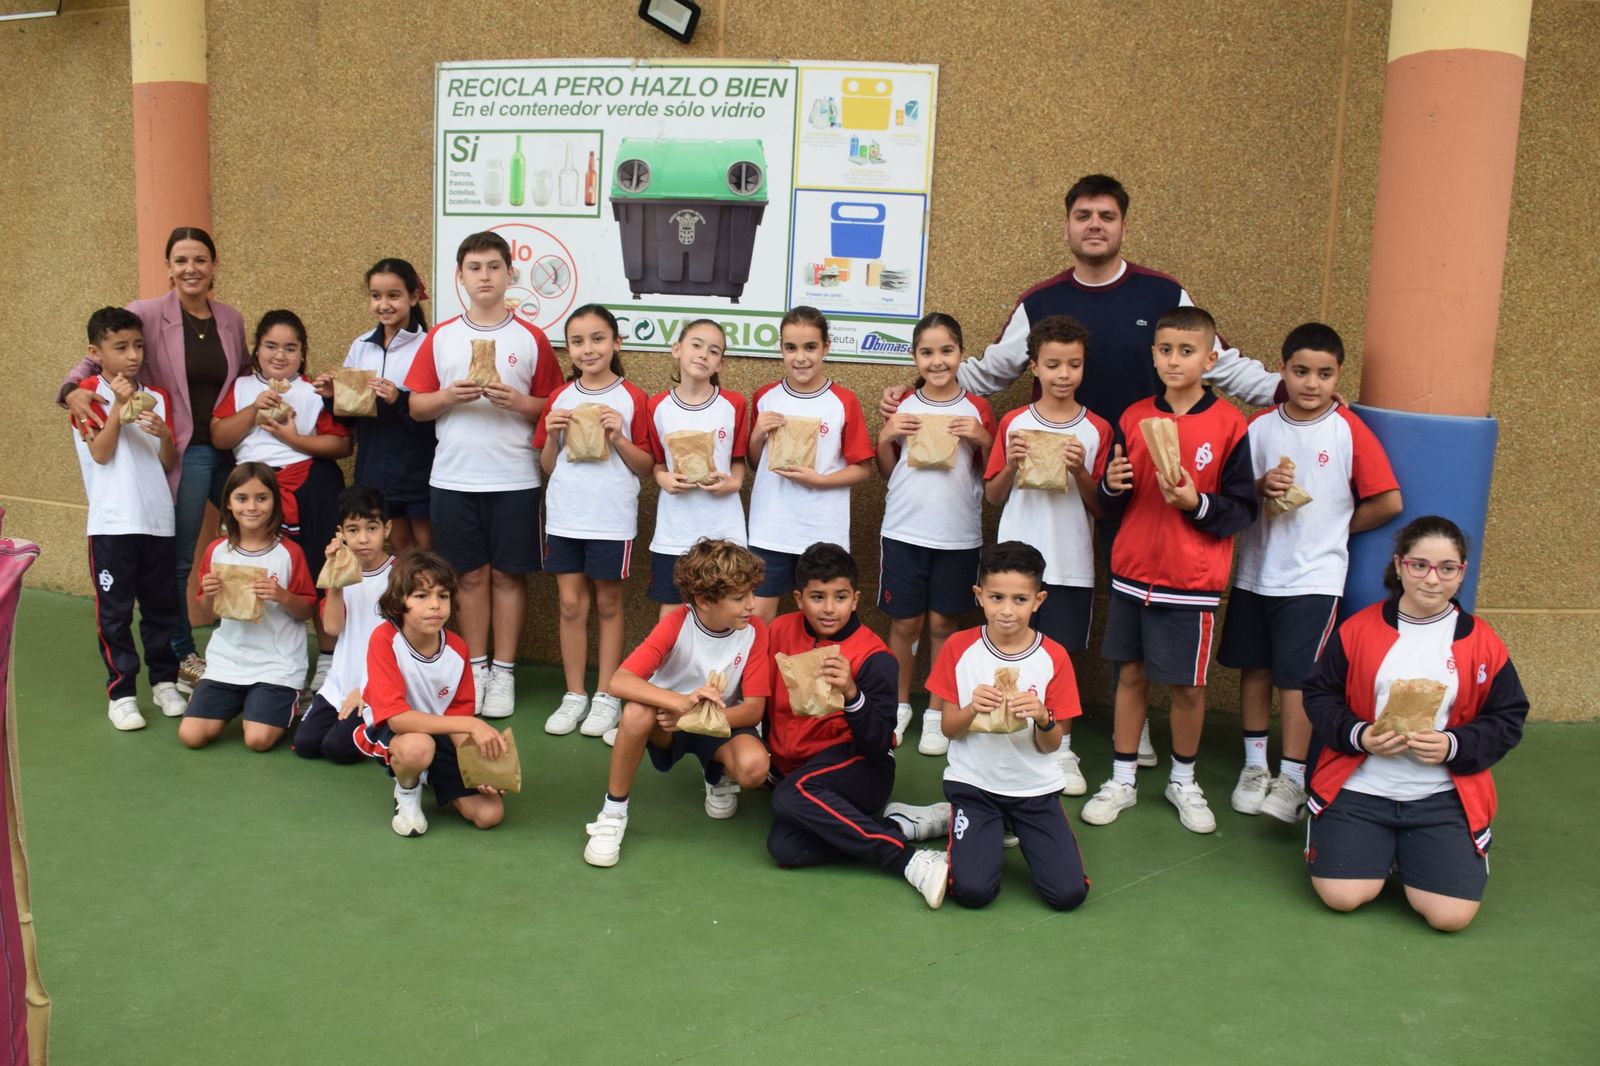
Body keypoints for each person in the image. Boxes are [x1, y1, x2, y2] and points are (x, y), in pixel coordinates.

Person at [881, 174, 1279, 426]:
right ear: (1066, 228)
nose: (1094, 225)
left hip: (1141, 457)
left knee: (1130, 564)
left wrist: (1291, 391)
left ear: (1124, 228)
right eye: (1083, 215)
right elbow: (991, 372)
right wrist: (919, 389)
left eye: (1106, 216)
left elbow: (1222, 364)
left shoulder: (1163, 293)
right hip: (1061, 453)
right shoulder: (1040, 301)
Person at [1302, 516, 1527, 931]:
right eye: (1419, 565)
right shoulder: (1358, 630)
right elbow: (1319, 695)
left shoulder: (1482, 640)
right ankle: (1377, 849)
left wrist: (1454, 745)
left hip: (1440, 795)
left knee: (1450, 917)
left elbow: (1509, 716)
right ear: (1400, 565)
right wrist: (1361, 735)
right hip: (1361, 787)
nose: (1432, 579)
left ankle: (1411, 852)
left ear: (1461, 573)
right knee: (1343, 896)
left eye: (1447, 568)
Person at [1081, 307, 1257, 834]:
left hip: (1192, 581)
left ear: (1210, 357)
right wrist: (1112, 483)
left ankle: (1184, 780)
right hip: (1133, 570)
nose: (1174, 360)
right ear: (1152, 354)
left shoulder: (1230, 424)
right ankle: (1122, 778)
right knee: (1129, 676)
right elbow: (1113, 502)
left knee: (1187, 687)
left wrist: (1195, 503)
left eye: (1187, 351)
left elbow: (1243, 509)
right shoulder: (1133, 416)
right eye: (1165, 350)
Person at [1218, 323, 1402, 822]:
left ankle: (1293, 777)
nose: (1311, 383)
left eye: (1324, 374)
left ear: (1338, 375)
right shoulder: (1258, 428)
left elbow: (1388, 500)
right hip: (1256, 572)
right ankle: (1255, 767)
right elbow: (1233, 497)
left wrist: (1337, 529)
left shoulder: (1348, 429)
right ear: (1283, 370)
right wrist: (1259, 485)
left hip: (1314, 580)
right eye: (1301, 371)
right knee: (1254, 669)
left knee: (1296, 680)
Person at [61, 227, 250, 692]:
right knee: (179, 560)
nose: (191, 269)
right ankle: (182, 656)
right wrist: (69, 392)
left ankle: (246, 646)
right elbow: (97, 356)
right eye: (181, 260)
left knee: (250, 540)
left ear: (215, 265)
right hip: (183, 450)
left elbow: (247, 372)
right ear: (168, 266)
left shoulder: (230, 318)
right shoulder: (146, 313)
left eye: (201, 259)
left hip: (229, 446)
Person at [405, 231, 563, 718]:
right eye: (474, 267)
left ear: (509, 274)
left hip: (515, 477)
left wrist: (520, 403)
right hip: (453, 478)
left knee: (509, 578)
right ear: (460, 276)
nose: (485, 276)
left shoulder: (530, 338)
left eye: (494, 267)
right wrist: (449, 396)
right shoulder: (443, 336)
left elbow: (555, 406)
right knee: (468, 578)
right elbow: (416, 406)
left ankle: (505, 672)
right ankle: (474, 668)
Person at [763, 542, 952, 908]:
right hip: (800, 773)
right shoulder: (779, 632)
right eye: (818, 597)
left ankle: (909, 860)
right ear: (799, 598)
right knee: (784, 847)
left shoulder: (875, 656)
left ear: (856, 599)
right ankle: (900, 826)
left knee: (790, 794)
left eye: (840, 596)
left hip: (862, 769)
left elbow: (877, 741)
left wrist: (851, 692)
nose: (829, 608)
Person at [581, 539, 772, 867]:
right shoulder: (677, 623)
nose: (752, 605)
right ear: (704, 600)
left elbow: (754, 709)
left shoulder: (754, 630)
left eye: (753, 593)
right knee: (637, 712)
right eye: (740, 597)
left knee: (755, 769)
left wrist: (691, 715)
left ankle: (717, 774)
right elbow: (619, 681)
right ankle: (612, 814)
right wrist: (679, 703)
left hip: (717, 721)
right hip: (667, 721)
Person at [982, 315, 1112, 791]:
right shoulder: (1015, 423)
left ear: (1083, 368)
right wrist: (1012, 465)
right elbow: (993, 497)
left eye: (1073, 365)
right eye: (1053, 364)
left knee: (1060, 657)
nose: (1063, 374)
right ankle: (1003, 738)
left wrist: (1080, 472)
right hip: (1016, 564)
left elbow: (1100, 506)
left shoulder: (1097, 428)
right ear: (1033, 366)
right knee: (1009, 649)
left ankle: (1064, 749)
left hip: (1071, 562)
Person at [927, 541, 1090, 910]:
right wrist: (972, 708)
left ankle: (1010, 824)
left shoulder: (1054, 657)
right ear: (979, 595)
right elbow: (950, 729)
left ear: (1038, 600)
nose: (1006, 610)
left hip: (1033, 789)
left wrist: (1042, 716)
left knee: (1068, 895)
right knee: (972, 892)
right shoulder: (958, 647)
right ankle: (968, 822)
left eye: (1020, 599)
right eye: (997, 597)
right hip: (974, 784)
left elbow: (1051, 745)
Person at [209, 309, 351, 700]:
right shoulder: (240, 388)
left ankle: (327, 657)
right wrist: (254, 409)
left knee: (320, 567)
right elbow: (220, 436)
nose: (280, 355)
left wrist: (294, 439)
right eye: (271, 346)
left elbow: (341, 444)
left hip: (308, 485)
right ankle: (250, 662)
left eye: (291, 348)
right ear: (257, 350)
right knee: (255, 568)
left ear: (302, 354)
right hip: (253, 489)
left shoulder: (311, 391)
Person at [875, 313, 996, 751]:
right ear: (915, 356)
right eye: (927, 352)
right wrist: (885, 434)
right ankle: (897, 705)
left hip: (958, 535)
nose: (937, 360)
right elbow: (886, 470)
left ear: (961, 354)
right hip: (905, 530)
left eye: (946, 351)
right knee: (905, 622)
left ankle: (937, 709)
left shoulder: (977, 407)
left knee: (945, 623)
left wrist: (982, 436)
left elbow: (992, 471)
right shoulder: (902, 403)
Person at [535, 305, 655, 739]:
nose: (589, 349)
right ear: (569, 349)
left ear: (616, 343)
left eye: (598, 338)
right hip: (565, 515)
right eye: (578, 341)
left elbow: (645, 466)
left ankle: (606, 695)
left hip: (610, 519)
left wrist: (618, 435)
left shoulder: (633, 397)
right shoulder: (559, 396)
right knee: (570, 605)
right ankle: (574, 694)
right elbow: (549, 465)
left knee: (608, 604)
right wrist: (551, 434)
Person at [70, 307, 185, 730]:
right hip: (113, 523)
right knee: (115, 613)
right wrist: (119, 407)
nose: (133, 355)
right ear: (95, 352)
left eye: (138, 346)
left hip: (157, 520)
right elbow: (100, 453)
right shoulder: (86, 394)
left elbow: (168, 461)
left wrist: (166, 436)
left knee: (161, 608)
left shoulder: (157, 395)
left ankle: (165, 682)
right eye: (121, 347)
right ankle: (120, 692)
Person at [351, 551, 508, 837]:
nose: (435, 606)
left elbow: (458, 718)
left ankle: (430, 774)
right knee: (417, 749)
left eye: (443, 596)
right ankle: (407, 791)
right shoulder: (385, 639)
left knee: (490, 814)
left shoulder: (458, 648)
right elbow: (397, 719)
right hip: (399, 733)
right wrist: (473, 724)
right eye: (421, 596)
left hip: (441, 730)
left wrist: (480, 769)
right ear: (400, 602)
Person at [747, 307, 874, 623]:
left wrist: (819, 481)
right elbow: (754, 462)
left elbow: (863, 468)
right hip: (770, 528)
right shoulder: (765, 397)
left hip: (822, 529)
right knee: (759, 619)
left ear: (826, 347)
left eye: (810, 347)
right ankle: (759, 675)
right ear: (781, 349)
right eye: (791, 348)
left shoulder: (843, 401)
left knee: (822, 619)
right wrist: (757, 434)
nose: (800, 357)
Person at [179, 463, 316, 752]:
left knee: (257, 740)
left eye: (261, 498)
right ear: (228, 502)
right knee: (191, 736)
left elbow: (307, 610)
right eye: (242, 498)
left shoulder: (289, 552)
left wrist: (282, 595)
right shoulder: (217, 550)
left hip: (277, 664)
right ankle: (240, 699)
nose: (252, 507)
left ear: (275, 502)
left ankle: (290, 696)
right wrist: (211, 595)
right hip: (229, 660)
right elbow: (210, 609)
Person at [315, 258, 436, 553]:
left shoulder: (429, 344)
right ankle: (404, 600)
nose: (384, 304)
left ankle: (429, 599)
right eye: (376, 296)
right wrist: (333, 395)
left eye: (393, 295)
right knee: (396, 544)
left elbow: (436, 411)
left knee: (427, 547)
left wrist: (399, 399)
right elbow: (349, 418)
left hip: (419, 465)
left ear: (413, 296)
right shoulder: (361, 346)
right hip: (376, 466)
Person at [645, 320, 748, 621]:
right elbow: (656, 460)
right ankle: (672, 670)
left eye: (714, 351)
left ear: (721, 362)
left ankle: (721, 671)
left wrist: (736, 482)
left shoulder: (734, 404)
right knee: (672, 613)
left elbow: (738, 458)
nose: (704, 354)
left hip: (724, 528)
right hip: (674, 530)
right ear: (677, 349)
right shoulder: (657, 406)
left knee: (726, 610)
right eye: (696, 345)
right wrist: (661, 477)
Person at [293, 486, 395, 763]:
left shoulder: (399, 576)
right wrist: (335, 577)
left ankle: (388, 728)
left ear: (387, 528)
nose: (363, 539)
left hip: (378, 683)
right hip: (341, 680)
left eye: (371, 528)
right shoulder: (341, 572)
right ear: (341, 533)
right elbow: (333, 628)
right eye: (353, 530)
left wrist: (368, 688)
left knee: (338, 750)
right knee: (306, 744)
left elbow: (403, 644)